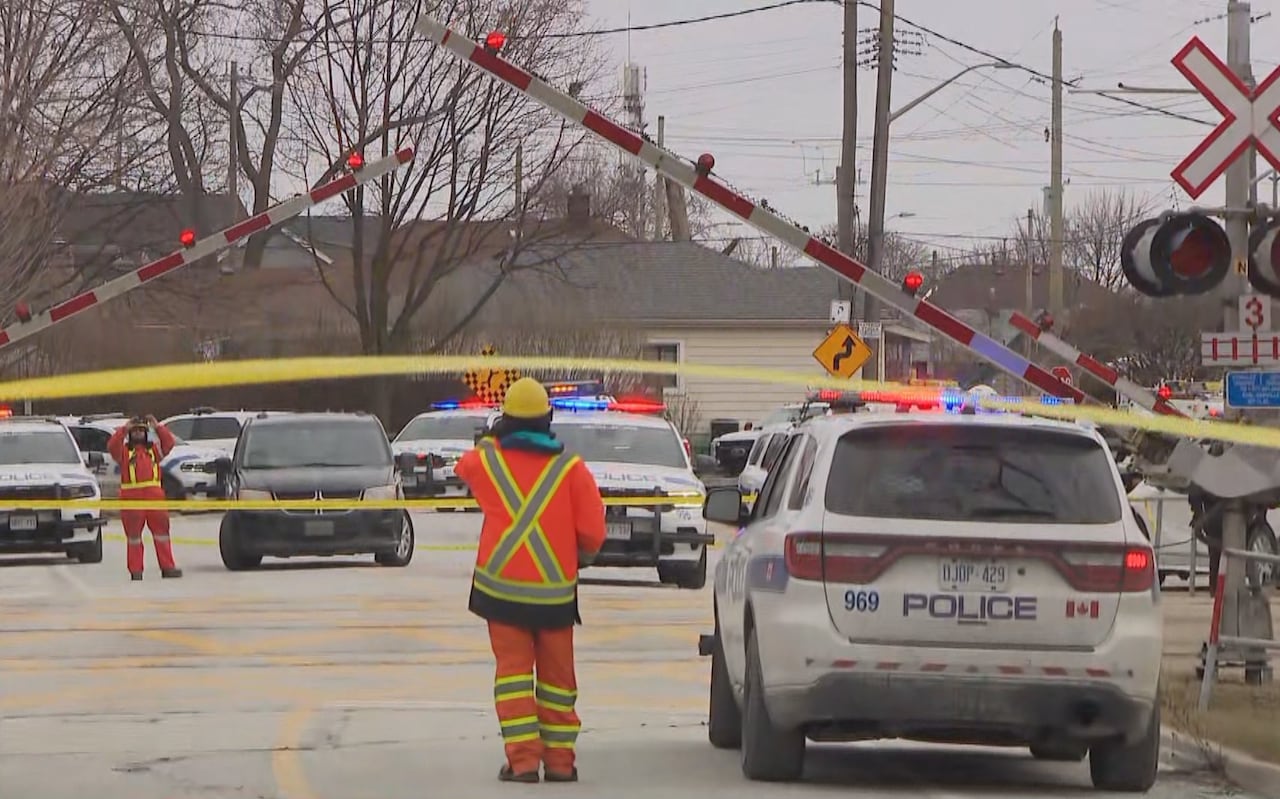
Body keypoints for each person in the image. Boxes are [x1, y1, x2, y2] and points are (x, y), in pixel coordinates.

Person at [454, 378, 606, 784]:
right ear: (548, 419)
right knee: (558, 682)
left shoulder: (487, 463)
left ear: (505, 422)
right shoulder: (572, 470)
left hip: (500, 594)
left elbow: (465, 464)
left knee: (513, 678)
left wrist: (490, 438)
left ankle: (522, 764)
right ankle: (560, 764)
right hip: (555, 598)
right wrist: (578, 560)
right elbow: (593, 533)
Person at [108, 415, 182, 581]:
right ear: (130, 434)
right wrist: (124, 429)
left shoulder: (154, 450)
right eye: (135, 431)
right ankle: (136, 571)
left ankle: (168, 567)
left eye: (142, 430)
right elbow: (112, 446)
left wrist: (158, 427)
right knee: (133, 537)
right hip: (131, 500)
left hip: (155, 499)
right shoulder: (124, 453)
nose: (139, 433)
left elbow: (169, 443)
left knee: (162, 534)